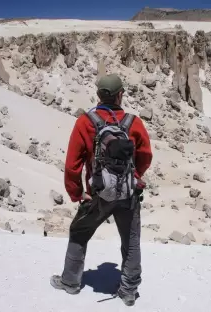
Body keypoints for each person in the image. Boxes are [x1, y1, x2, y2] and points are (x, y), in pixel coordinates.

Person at [50, 74, 153, 307]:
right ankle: (128, 291)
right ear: (120, 95)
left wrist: (77, 193)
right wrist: (134, 177)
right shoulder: (133, 123)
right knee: (131, 241)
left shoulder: (85, 122)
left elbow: (72, 165)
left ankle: (70, 282)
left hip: (97, 194)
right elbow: (145, 156)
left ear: (98, 95)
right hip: (128, 193)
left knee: (79, 232)